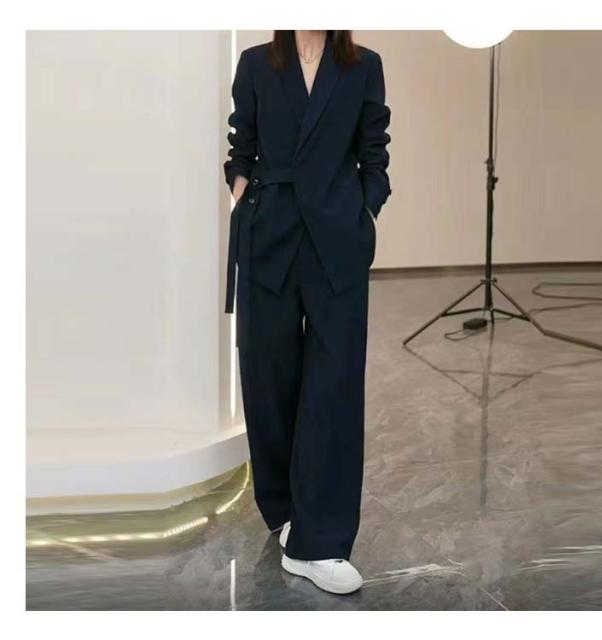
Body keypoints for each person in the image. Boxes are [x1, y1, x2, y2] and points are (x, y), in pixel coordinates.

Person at [223, 30, 391, 595]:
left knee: (334, 384)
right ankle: (284, 508)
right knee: (267, 377)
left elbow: (374, 149)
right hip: (267, 234)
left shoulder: (363, 65)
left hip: (336, 239)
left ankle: (320, 541)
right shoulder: (255, 63)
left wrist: (364, 209)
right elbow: (242, 143)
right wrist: (242, 194)